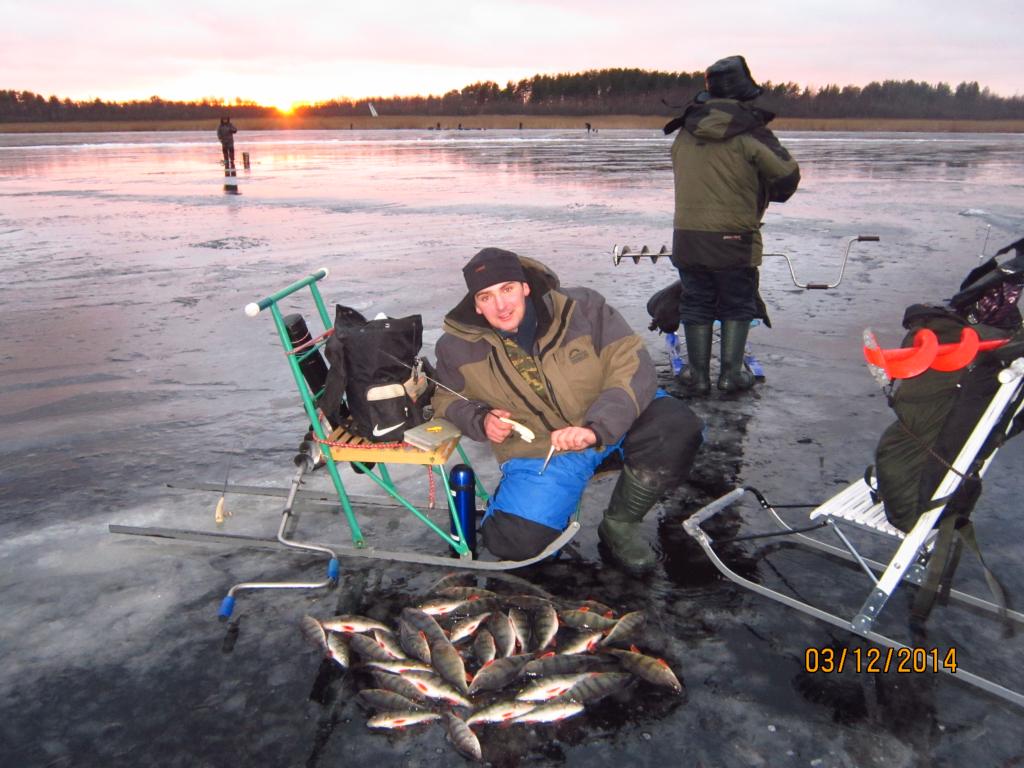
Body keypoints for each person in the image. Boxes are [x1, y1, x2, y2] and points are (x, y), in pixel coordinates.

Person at [432, 247, 704, 573]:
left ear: (525, 287)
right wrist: (480, 420)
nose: (501, 305)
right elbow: (445, 399)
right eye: (486, 297)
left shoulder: (583, 308)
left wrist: (597, 427)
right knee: (514, 543)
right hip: (544, 450)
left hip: (615, 422)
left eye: (507, 289)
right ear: (476, 304)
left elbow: (630, 363)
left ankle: (620, 524)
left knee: (675, 426)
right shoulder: (455, 347)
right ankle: (543, 507)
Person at [664, 55, 800, 395]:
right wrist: (764, 190)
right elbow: (787, 175)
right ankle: (730, 375)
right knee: (737, 302)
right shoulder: (749, 132)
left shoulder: (684, 132)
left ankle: (698, 377)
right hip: (734, 237)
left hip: (688, 237)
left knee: (696, 301)